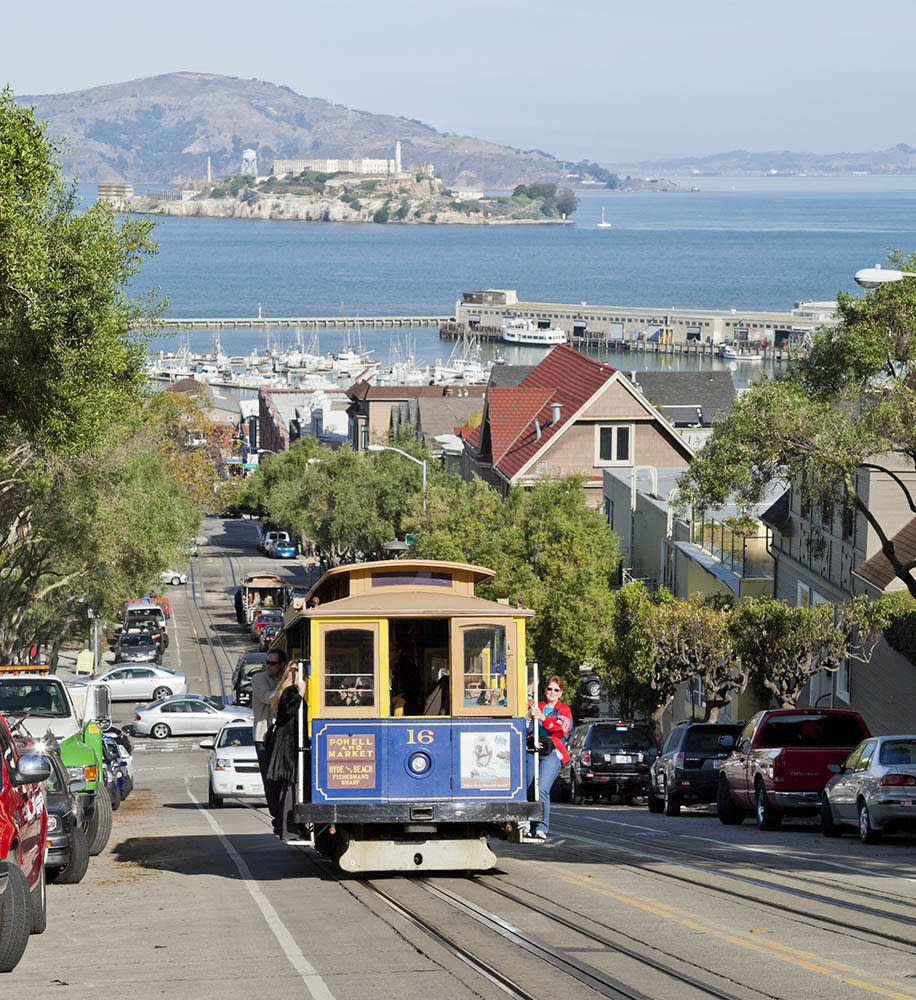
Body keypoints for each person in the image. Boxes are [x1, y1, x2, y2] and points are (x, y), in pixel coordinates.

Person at [525, 675, 572, 840]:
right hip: (533, 750)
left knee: (542, 788)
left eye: (556, 690)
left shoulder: (564, 710)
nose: (552, 692)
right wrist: (529, 716)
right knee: (530, 788)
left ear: (561, 693)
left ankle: (541, 827)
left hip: (552, 753)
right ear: (545, 690)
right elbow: (525, 728)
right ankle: (530, 825)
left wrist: (544, 718)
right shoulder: (536, 706)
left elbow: (561, 729)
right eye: (549, 689)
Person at [267, 663, 307, 834]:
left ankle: (288, 827)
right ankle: (288, 828)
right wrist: (301, 693)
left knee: (290, 786)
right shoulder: (290, 692)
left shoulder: (285, 690)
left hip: (287, 744)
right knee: (290, 785)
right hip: (289, 745)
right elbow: (288, 711)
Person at [251, 649, 286, 831]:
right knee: (270, 779)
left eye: (273, 663)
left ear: (281, 665)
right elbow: (268, 697)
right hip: (263, 738)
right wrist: (288, 683)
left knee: (283, 779)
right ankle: (276, 816)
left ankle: (284, 816)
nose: (268, 666)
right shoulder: (258, 679)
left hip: (282, 737)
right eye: (267, 662)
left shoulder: (284, 679)